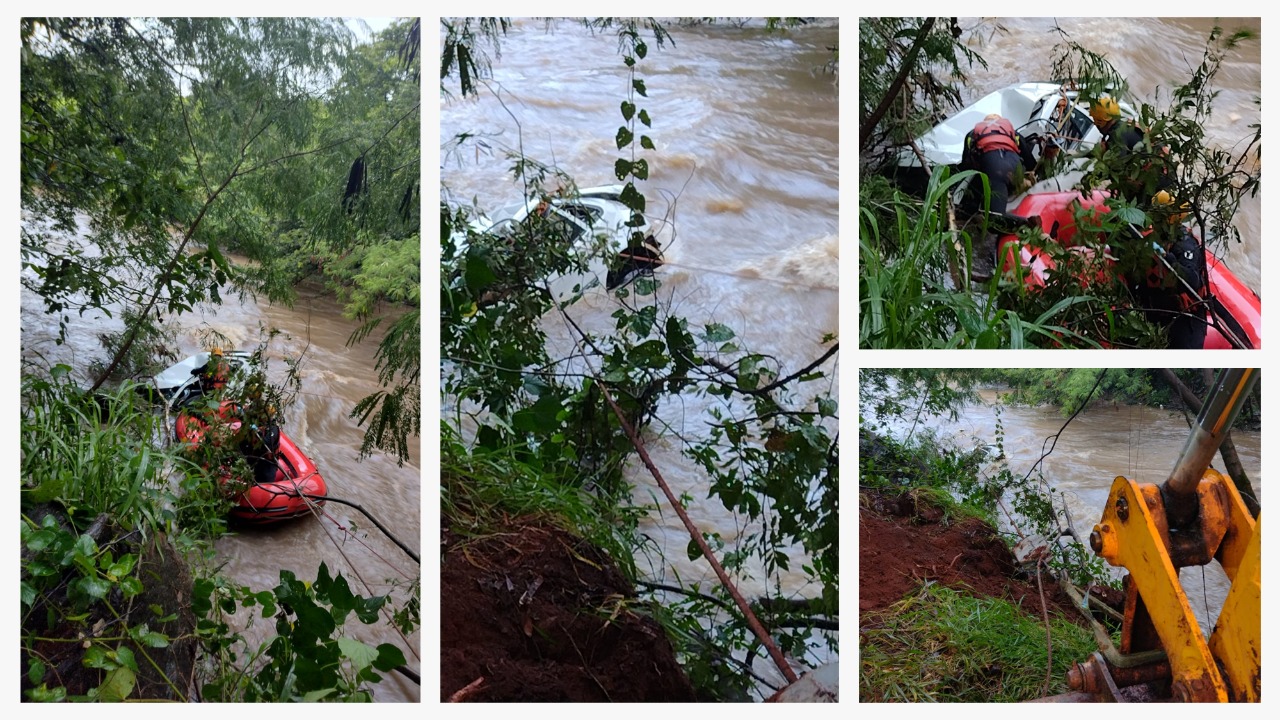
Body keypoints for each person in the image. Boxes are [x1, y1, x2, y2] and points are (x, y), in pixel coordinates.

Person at [1089, 96, 1173, 199]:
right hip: (1165, 174)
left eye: (1094, 119)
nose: (1094, 124)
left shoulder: (1117, 135)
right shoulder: (1126, 126)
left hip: (1153, 182)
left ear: (1100, 120)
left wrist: (1101, 160)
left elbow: (1118, 169)